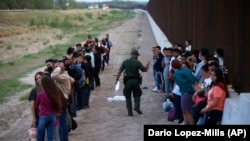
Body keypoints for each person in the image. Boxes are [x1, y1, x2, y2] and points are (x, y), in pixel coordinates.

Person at [115, 49, 150, 116]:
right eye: (137, 55)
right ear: (135, 55)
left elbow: (120, 71)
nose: (138, 56)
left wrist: (117, 79)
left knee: (128, 97)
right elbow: (145, 70)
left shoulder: (125, 62)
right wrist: (147, 65)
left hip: (127, 81)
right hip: (136, 81)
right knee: (137, 94)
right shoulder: (137, 62)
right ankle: (136, 106)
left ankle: (130, 112)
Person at [35, 76, 65, 141]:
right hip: (52, 116)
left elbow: (36, 105)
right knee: (50, 135)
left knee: (40, 134)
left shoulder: (41, 94)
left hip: (44, 116)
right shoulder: (54, 93)